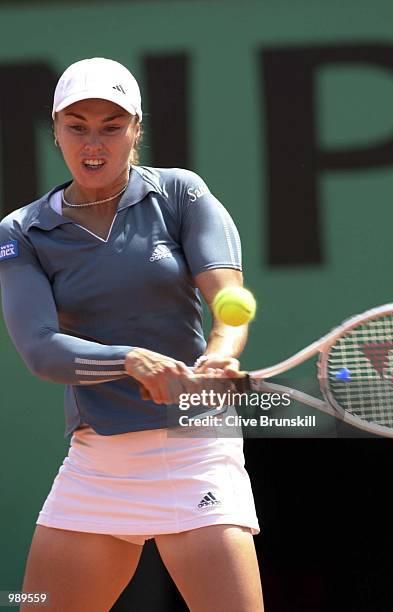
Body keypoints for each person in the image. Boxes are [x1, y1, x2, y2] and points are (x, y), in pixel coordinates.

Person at [0, 58, 263, 611]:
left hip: (196, 454)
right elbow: (40, 349)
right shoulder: (21, 232)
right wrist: (131, 360)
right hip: (96, 465)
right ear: (55, 130)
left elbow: (228, 301)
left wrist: (218, 357)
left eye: (111, 126)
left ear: (136, 130)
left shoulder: (180, 194)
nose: (93, 142)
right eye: (78, 126)